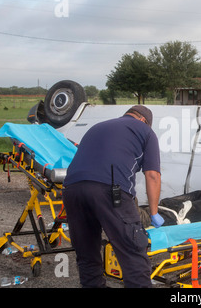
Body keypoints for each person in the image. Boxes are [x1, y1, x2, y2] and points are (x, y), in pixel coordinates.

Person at [62, 105, 164, 288]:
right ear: (144, 121)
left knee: (86, 254)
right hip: (110, 190)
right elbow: (153, 175)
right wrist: (154, 212)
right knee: (133, 253)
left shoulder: (98, 127)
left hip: (72, 189)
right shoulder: (146, 132)